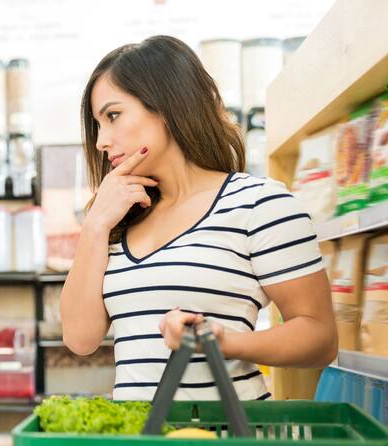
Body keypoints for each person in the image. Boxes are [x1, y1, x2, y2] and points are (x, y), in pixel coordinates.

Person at [60, 35, 337, 401]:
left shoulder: (259, 203)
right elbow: (80, 339)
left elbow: (320, 338)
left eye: (112, 116)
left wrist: (223, 342)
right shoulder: (117, 219)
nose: (101, 141)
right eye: (98, 124)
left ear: (168, 105)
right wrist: (95, 226)